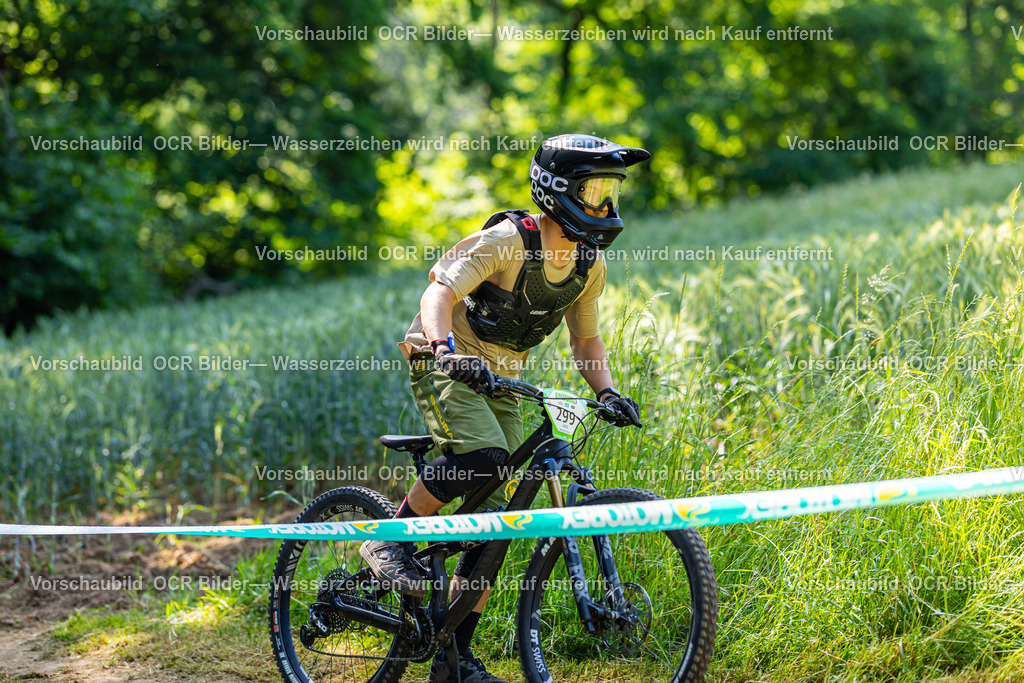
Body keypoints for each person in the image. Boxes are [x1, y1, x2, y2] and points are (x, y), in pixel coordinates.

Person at [360, 133, 650, 683]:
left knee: (495, 525)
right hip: (444, 359)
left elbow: (585, 344)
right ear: (557, 190)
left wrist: (606, 393)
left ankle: (454, 662)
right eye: (594, 191)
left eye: (612, 192)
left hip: (505, 379)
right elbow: (438, 294)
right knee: (489, 457)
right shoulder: (508, 242)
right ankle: (386, 538)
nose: (606, 205)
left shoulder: (589, 265)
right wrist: (444, 350)